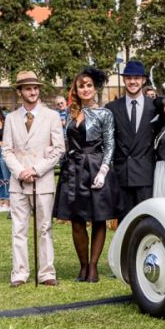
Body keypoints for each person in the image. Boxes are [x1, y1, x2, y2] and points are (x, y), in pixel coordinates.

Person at [54, 67, 117, 283]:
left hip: (96, 166)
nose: (86, 89)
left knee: (98, 218)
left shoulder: (104, 114)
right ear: (76, 90)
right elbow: (66, 142)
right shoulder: (70, 114)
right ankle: (82, 266)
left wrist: (103, 170)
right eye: (82, 86)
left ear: (94, 88)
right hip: (73, 169)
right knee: (76, 219)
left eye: (89, 85)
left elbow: (110, 145)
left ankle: (93, 267)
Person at [3, 70, 65, 287]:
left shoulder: (52, 116)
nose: (33, 91)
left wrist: (36, 169)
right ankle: (19, 273)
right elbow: (6, 151)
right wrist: (20, 171)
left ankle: (46, 272)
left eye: (35, 88)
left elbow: (59, 149)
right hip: (18, 183)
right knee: (18, 229)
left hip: (43, 181)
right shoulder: (10, 118)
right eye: (28, 88)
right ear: (20, 92)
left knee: (44, 228)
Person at [105, 60, 157, 220]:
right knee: (124, 225)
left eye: (137, 77)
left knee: (146, 222)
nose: (133, 81)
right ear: (123, 80)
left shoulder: (156, 107)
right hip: (122, 176)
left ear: (143, 80)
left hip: (147, 175)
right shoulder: (111, 108)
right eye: (129, 78)